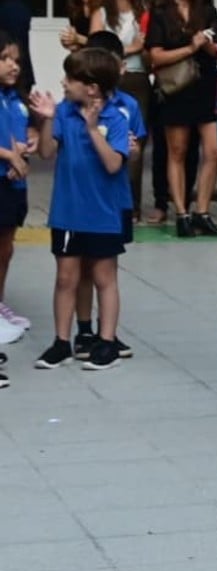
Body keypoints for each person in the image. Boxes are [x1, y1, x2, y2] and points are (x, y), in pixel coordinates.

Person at [31, 47, 132, 371]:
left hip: (103, 213)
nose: (63, 82)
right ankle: (62, 341)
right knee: (65, 277)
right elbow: (46, 152)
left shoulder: (115, 118)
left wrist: (92, 129)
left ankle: (106, 341)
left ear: (91, 87)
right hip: (67, 211)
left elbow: (114, 163)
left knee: (105, 277)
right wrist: (46, 120)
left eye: (70, 78)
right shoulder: (63, 111)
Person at [71, 31, 144, 362]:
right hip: (82, 201)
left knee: (105, 269)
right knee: (82, 269)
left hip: (116, 201)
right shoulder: (74, 106)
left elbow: (136, 148)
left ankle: (107, 334)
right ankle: (84, 331)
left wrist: (133, 149)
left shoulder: (128, 106)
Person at [145, 0, 217, 239]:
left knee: (214, 150)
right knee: (177, 151)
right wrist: (189, 47)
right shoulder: (159, 16)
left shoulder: (208, 12)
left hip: (205, 87)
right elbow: (155, 56)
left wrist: (205, 44)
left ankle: (202, 212)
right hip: (176, 89)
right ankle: (181, 213)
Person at [103, 0, 149, 222]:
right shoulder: (103, 14)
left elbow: (148, 48)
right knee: (108, 137)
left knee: (135, 142)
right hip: (109, 79)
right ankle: (110, 199)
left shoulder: (143, 14)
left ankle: (132, 205)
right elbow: (99, 48)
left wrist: (138, 50)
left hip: (137, 79)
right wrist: (131, 48)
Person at [0, 32, 33, 341]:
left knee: (6, 248)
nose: (13, 66)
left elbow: (19, 137)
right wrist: (9, 155)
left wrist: (24, 149)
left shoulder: (16, 100)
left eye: (17, 61)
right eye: (5, 59)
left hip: (14, 183)